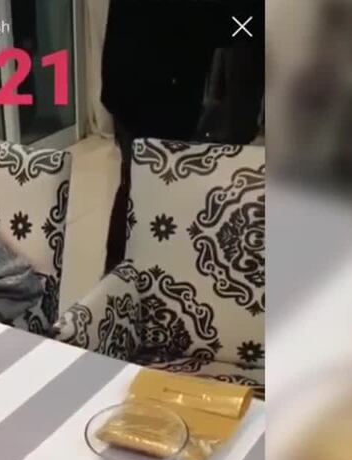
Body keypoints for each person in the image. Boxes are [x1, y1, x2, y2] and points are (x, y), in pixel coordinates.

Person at [99, 0, 264, 273]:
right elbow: (219, 24)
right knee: (150, 189)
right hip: (156, 93)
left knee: (137, 184)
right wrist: (252, 24)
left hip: (135, 84)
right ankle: (133, 274)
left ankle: (122, 274)